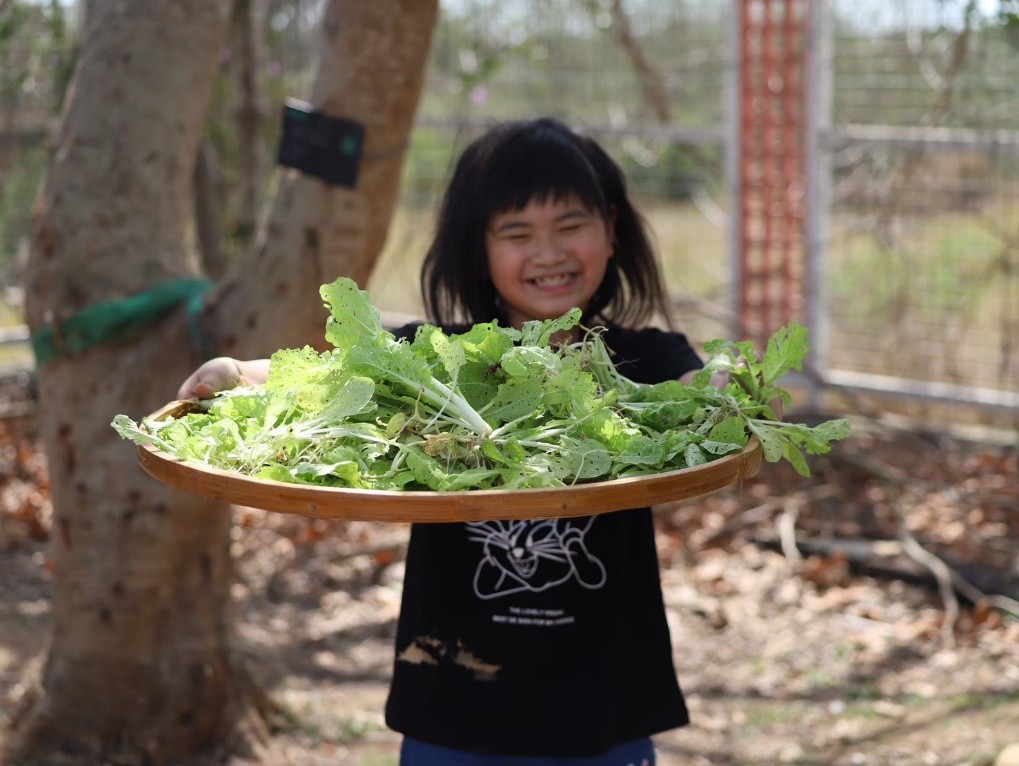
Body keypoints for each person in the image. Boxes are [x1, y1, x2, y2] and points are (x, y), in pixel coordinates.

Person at [178, 117, 711, 765]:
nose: (547, 252)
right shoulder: (434, 363)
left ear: (611, 229)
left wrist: (731, 383)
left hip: (603, 706)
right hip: (454, 701)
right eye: (516, 234)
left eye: (570, 226)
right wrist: (237, 376)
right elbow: (318, 378)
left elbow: (702, 388)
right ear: (477, 249)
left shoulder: (640, 359)